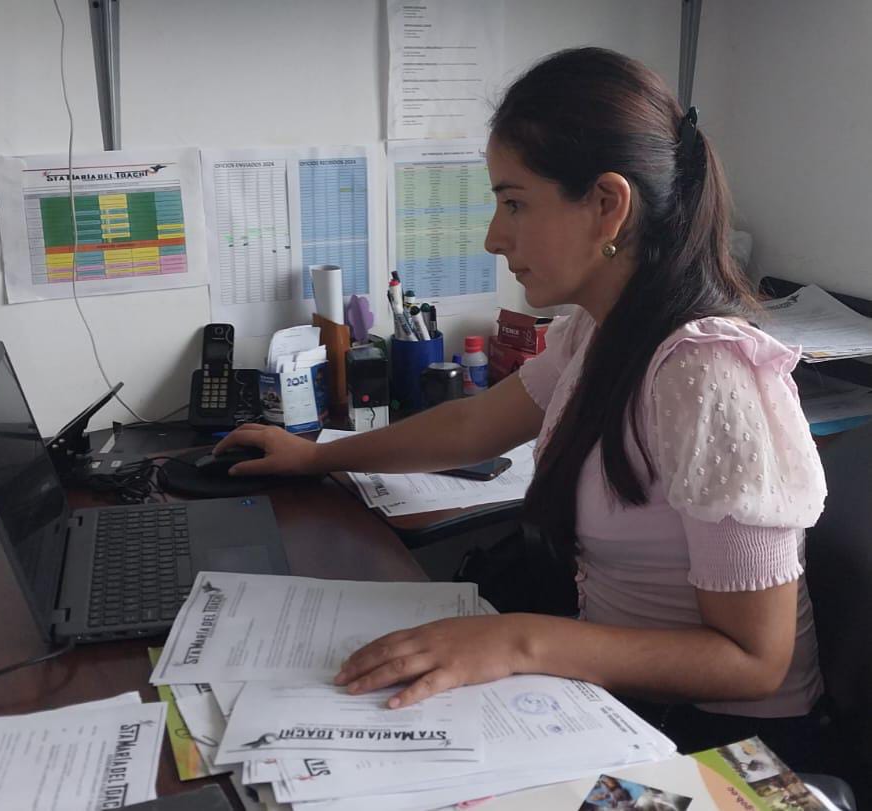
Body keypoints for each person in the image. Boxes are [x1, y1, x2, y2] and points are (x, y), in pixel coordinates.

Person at [214, 48, 831, 768]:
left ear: (607, 205)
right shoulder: (600, 330)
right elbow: (474, 424)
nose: (493, 237)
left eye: (514, 203)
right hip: (626, 699)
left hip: (729, 746)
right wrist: (316, 456)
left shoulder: (707, 374)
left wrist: (518, 641)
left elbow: (755, 661)